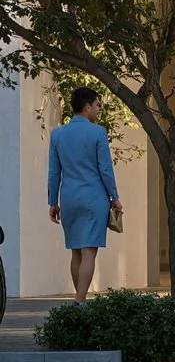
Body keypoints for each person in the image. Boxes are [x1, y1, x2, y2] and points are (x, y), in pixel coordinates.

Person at [48, 87, 122, 302]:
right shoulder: (98, 132)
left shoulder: (57, 134)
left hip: (69, 198)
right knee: (89, 251)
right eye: (97, 105)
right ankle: (80, 301)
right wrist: (115, 197)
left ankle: (79, 299)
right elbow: (105, 169)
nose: (98, 109)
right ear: (87, 106)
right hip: (94, 198)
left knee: (76, 251)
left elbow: (54, 172)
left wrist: (53, 202)